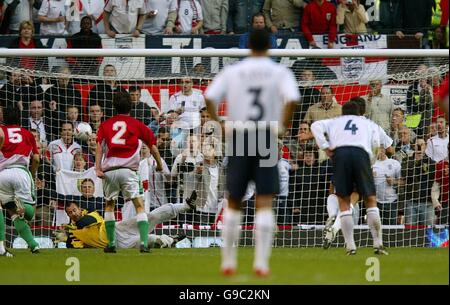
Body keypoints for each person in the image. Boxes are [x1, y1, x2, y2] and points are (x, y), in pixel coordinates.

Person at [205, 29, 300, 276]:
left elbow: (209, 96)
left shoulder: (233, 71)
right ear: (269, 46)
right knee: (264, 200)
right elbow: (292, 99)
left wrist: (219, 123)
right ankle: (261, 263)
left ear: (248, 46)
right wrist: (282, 126)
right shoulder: (280, 71)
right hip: (266, 136)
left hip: (239, 135)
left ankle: (228, 262)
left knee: (234, 201)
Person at [311, 101, 390, 255]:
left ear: (343, 112)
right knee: (370, 200)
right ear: (360, 112)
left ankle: (350, 246)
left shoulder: (336, 121)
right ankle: (378, 244)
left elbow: (315, 126)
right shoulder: (368, 123)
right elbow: (375, 142)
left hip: (340, 156)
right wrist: (370, 159)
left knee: (343, 201)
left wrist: (325, 147)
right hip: (360, 155)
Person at [95, 91, 164, 253]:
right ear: (131, 106)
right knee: (139, 205)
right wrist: (159, 165)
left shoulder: (105, 125)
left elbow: (99, 146)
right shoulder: (137, 124)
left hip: (110, 171)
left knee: (110, 205)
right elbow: (153, 147)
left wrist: (98, 168)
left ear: (114, 107)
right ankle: (144, 243)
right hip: (128, 170)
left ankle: (111, 243)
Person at [60, 197, 197, 249]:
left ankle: (185, 206)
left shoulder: (89, 213)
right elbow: (75, 248)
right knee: (148, 241)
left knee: (150, 216)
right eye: (70, 213)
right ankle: (170, 240)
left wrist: (70, 232)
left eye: (74, 210)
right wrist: (68, 239)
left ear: (79, 208)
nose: (74, 214)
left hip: (117, 229)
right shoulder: (73, 231)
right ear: (67, 215)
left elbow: (87, 221)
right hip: (116, 245)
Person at [0, 106, 41, 256]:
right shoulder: (28, 134)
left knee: (11, 211)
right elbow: (36, 158)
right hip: (21, 172)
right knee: (29, 212)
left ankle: (33, 244)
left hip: (2, 173)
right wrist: (32, 173)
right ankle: (24, 208)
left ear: (3, 118)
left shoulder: (1, 131)